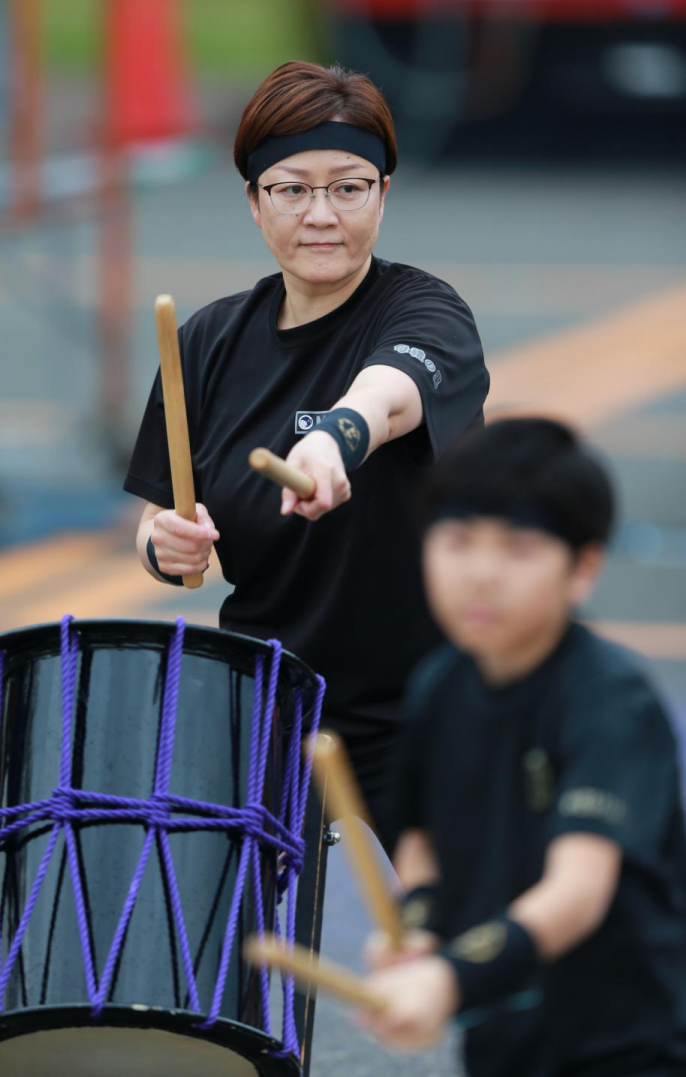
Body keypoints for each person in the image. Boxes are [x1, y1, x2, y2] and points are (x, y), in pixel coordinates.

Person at [123, 59, 489, 843]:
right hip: (268, 696)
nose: (321, 214)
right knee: (204, 945)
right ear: (255, 204)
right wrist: (164, 543)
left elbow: (387, 394)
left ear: (383, 197)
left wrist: (331, 441)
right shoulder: (206, 342)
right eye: (292, 189)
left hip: (422, 697)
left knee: (458, 944)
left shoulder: (425, 310)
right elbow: (164, 519)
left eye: (349, 187)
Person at [361, 417, 686, 1076]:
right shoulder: (439, 685)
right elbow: (420, 837)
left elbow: (579, 888)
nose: (481, 573)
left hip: (630, 1047)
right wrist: (420, 923)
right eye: (456, 541)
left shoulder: (607, 699)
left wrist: (450, 978)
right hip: (502, 1041)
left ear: (583, 568)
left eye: (517, 548)